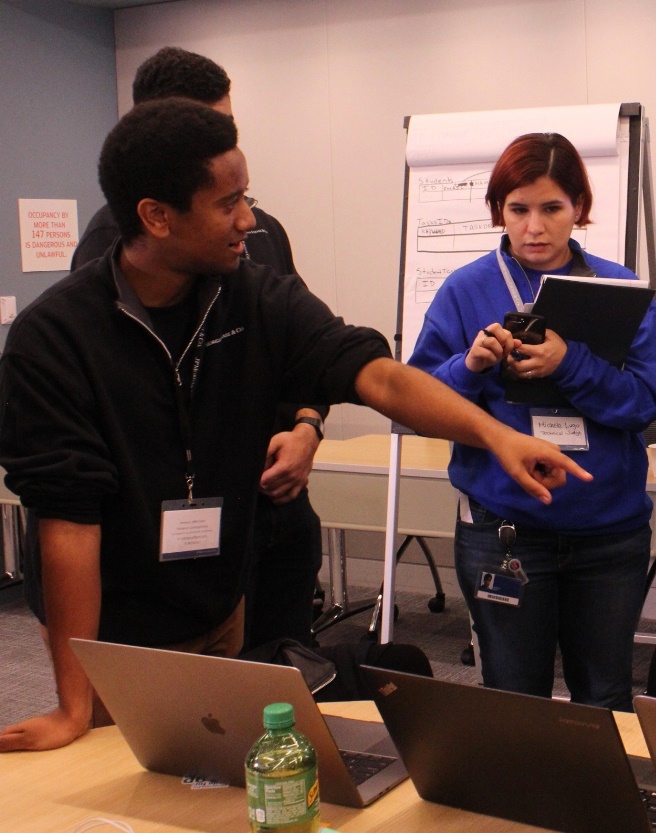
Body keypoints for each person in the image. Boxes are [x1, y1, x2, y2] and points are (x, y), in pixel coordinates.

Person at [0, 100, 588, 753]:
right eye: (227, 204)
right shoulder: (54, 340)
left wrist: (495, 435)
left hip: (221, 607)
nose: (248, 220)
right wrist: (73, 702)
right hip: (113, 638)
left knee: (228, 777)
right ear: (156, 216)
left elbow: (377, 374)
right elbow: (67, 527)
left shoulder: (254, 297)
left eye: (245, 196)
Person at [71, 46, 325, 651]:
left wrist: (308, 427)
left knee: (289, 673)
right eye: (203, 126)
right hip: (186, 533)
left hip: (277, 507)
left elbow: (309, 348)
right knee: (204, 707)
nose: (221, 142)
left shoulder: (260, 231)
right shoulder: (110, 252)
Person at [408, 133, 656, 710]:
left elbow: (646, 402)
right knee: (513, 697)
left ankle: (602, 803)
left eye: (552, 208)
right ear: (499, 210)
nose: (534, 228)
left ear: (579, 206)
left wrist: (569, 362)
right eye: (518, 209)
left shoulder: (620, 288)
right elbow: (417, 402)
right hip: (504, 530)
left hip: (608, 531)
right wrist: (469, 366)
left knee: (605, 695)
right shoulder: (464, 290)